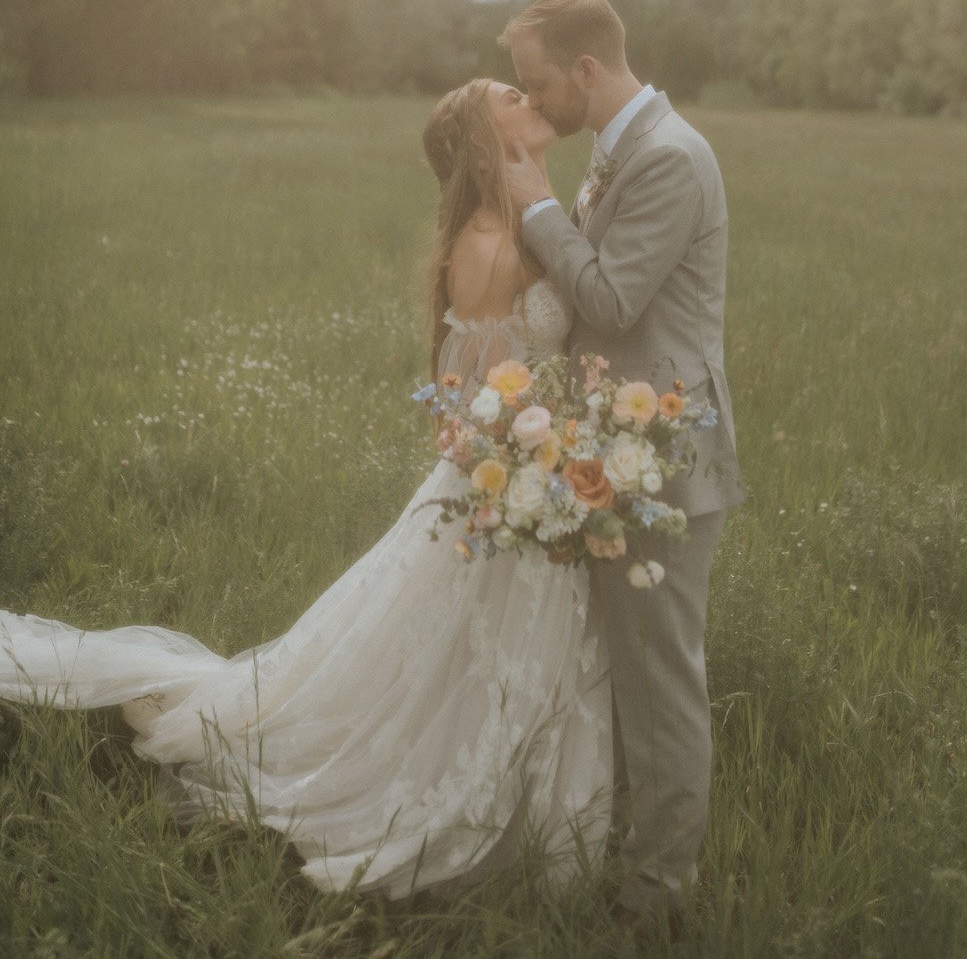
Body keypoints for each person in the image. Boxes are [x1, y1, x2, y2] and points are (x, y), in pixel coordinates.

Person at [0, 79, 612, 901]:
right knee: (444, 664)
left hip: (547, 479)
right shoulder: (487, 243)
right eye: (507, 92)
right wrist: (529, 461)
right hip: (502, 488)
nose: (526, 92)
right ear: (482, 138)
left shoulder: (539, 219)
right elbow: (459, 405)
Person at [500, 0, 746, 922]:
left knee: (664, 682)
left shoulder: (672, 159)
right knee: (632, 675)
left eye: (539, 83)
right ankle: (626, 856)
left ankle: (655, 901)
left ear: (586, 71)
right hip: (620, 452)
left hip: (669, 463)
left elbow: (608, 302)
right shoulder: (622, 148)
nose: (536, 102)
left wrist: (535, 207)